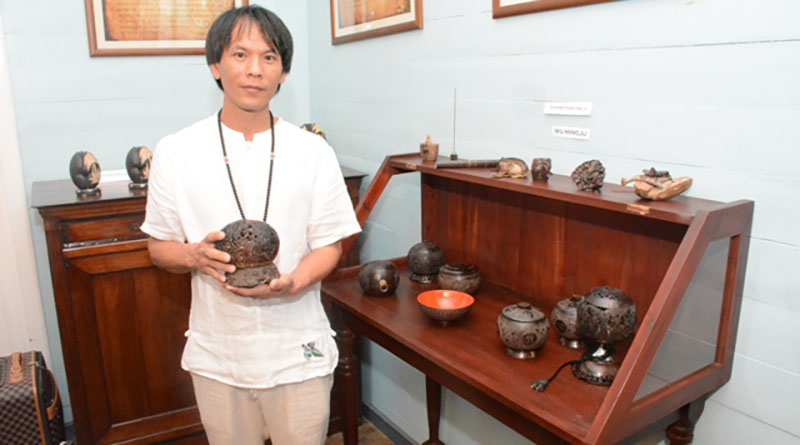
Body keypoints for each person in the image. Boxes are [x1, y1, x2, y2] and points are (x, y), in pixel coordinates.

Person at [140, 6, 360, 445]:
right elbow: (158, 246)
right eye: (240, 55)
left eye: (269, 57)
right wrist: (192, 255)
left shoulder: (313, 152)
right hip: (219, 352)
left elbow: (331, 245)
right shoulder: (176, 151)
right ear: (215, 65)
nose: (254, 70)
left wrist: (295, 280)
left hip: (299, 346)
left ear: (283, 73)